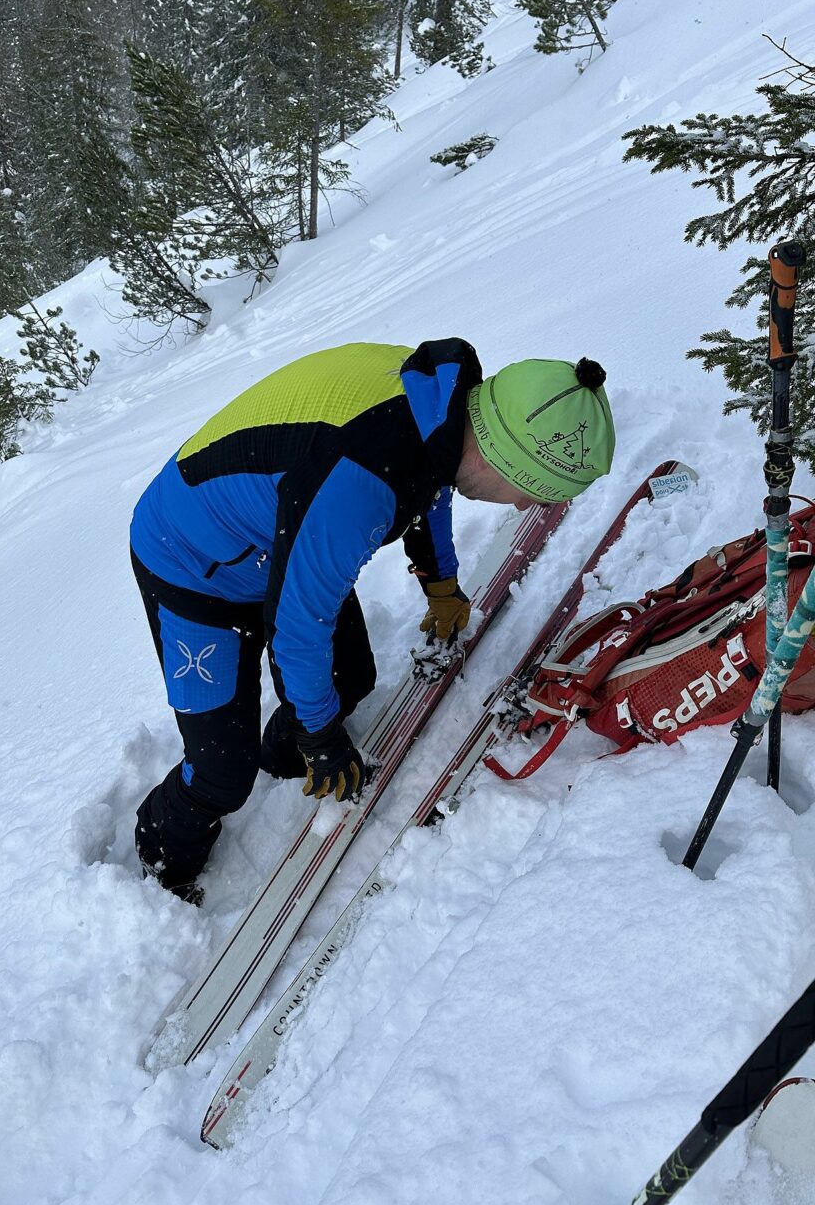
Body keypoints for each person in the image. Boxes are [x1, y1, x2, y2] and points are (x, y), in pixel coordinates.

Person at [129, 338, 614, 901]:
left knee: (348, 679)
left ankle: (283, 755)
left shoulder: (443, 409)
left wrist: (441, 583)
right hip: (190, 565)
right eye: (529, 491)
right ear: (500, 458)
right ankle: (164, 857)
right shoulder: (356, 477)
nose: (525, 507)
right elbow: (297, 625)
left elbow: (428, 479)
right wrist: (321, 735)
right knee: (221, 774)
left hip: (281, 540)